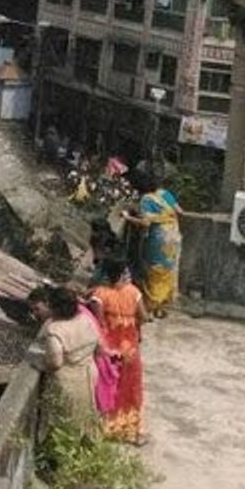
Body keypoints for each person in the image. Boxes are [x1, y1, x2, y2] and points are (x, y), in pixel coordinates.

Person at [89, 257, 150, 446]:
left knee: (107, 385)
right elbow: (145, 317)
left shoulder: (99, 294)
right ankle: (131, 431)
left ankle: (106, 428)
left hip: (108, 349)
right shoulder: (134, 292)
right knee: (131, 387)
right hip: (130, 348)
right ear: (123, 274)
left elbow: (98, 323)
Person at [26, 285, 102, 434]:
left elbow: (55, 363)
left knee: (65, 420)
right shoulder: (85, 319)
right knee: (85, 412)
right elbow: (97, 344)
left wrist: (38, 363)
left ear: (53, 307)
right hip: (89, 373)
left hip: (69, 381)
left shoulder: (55, 330)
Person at [123, 173, 183, 319]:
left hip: (159, 239)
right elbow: (179, 211)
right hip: (174, 236)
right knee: (169, 269)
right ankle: (163, 306)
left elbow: (145, 223)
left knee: (155, 270)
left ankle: (151, 305)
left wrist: (128, 217)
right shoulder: (165, 193)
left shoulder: (146, 199)